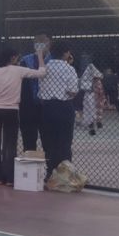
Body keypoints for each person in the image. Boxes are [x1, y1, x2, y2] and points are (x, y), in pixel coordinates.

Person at [0, 45, 46, 186]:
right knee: (10, 144)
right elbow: (41, 73)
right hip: (12, 110)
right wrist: (40, 56)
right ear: (12, 58)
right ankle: (9, 177)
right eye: (16, 57)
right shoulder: (18, 70)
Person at [36, 41, 80, 177]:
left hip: (47, 108)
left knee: (48, 141)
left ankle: (51, 171)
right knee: (65, 141)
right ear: (66, 53)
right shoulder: (69, 69)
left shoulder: (44, 68)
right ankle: (65, 173)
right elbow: (73, 91)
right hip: (64, 106)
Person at [18, 35, 49, 152]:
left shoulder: (52, 61)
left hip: (46, 105)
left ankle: (48, 162)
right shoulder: (25, 60)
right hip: (29, 104)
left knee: (47, 139)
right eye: (38, 43)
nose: (41, 47)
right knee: (29, 139)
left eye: (44, 43)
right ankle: (30, 160)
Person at [79, 56, 104, 135]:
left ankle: (94, 123)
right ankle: (92, 124)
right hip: (90, 93)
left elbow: (100, 76)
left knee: (91, 109)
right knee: (90, 109)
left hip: (92, 93)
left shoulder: (90, 68)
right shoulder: (87, 71)